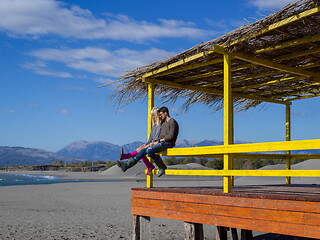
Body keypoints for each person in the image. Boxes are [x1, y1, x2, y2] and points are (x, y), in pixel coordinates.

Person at [118, 107, 179, 177]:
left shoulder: (172, 122)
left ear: (166, 113)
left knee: (149, 150)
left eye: (161, 114)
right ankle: (126, 165)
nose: (160, 116)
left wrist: (158, 141)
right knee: (144, 150)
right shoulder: (163, 123)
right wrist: (154, 142)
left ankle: (161, 166)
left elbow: (170, 136)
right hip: (161, 142)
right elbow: (160, 136)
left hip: (168, 143)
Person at [116, 107, 162, 174]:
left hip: (156, 145)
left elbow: (156, 140)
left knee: (141, 151)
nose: (153, 117)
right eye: (152, 116)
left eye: (154, 116)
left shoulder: (160, 126)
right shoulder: (154, 126)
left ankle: (125, 156)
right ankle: (149, 166)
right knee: (139, 149)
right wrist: (144, 145)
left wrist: (146, 146)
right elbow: (150, 139)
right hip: (151, 144)